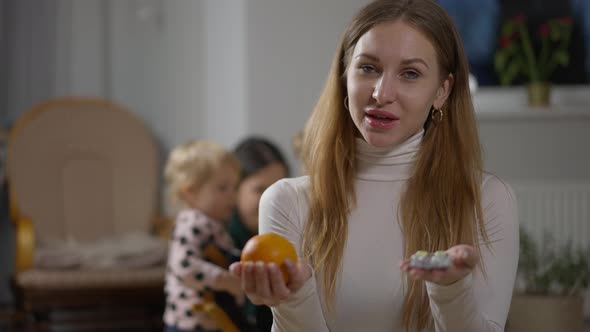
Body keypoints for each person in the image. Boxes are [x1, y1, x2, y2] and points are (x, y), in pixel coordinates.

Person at [229, 0, 519, 331]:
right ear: (344, 74)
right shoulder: (286, 202)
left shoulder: (487, 199)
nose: (382, 93)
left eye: (410, 73)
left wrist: (451, 292)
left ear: (442, 90)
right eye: (368, 68)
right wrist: (293, 299)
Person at [162, 140, 251, 332]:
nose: (232, 195)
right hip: (190, 324)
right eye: (222, 188)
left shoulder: (215, 224)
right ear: (190, 192)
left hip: (213, 321)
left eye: (234, 187)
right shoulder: (192, 222)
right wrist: (225, 280)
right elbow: (184, 266)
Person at [228, 137, 290, 331]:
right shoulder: (217, 241)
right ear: (235, 189)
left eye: (279, 187)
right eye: (259, 189)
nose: (272, 200)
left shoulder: (292, 237)